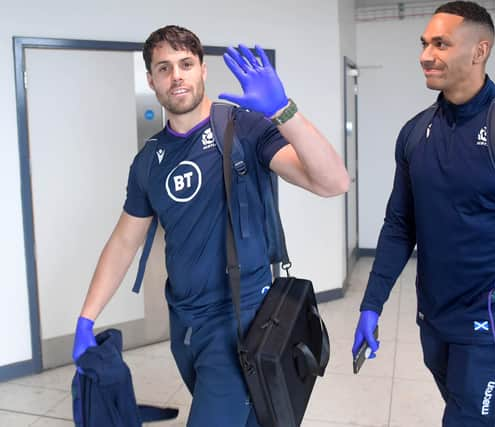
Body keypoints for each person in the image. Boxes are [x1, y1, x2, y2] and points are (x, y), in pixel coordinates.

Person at [71, 25, 349, 426]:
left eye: (186, 64)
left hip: (242, 319)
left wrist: (283, 111)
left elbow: (333, 182)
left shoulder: (244, 129)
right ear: (151, 80)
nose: (176, 75)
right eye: (164, 68)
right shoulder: (149, 161)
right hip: (184, 324)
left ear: (202, 69)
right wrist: (86, 317)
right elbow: (123, 242)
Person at [352, 2, 495, 426]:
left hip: (491, 329)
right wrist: (372, 303)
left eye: (441, 43)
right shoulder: (416, 133)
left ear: (480, 51)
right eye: (424, 43)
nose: (425, 54)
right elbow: (401, 225)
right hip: (434, 323)